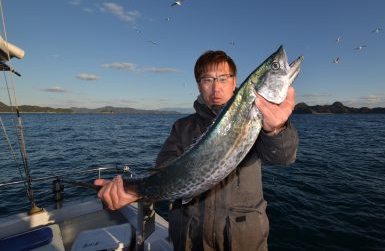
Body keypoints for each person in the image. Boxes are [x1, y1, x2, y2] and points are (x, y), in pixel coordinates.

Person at [95, 50, 299, 251]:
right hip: (191, 239)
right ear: (199, 84)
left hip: (242, 239)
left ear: (235, 81)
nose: (216, 87)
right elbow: (164, 169)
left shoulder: (262, 119)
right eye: (208, 79)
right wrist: (136, 191)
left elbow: (282, 156)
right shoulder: (182, 127)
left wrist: (276, 129)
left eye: (223, 78)